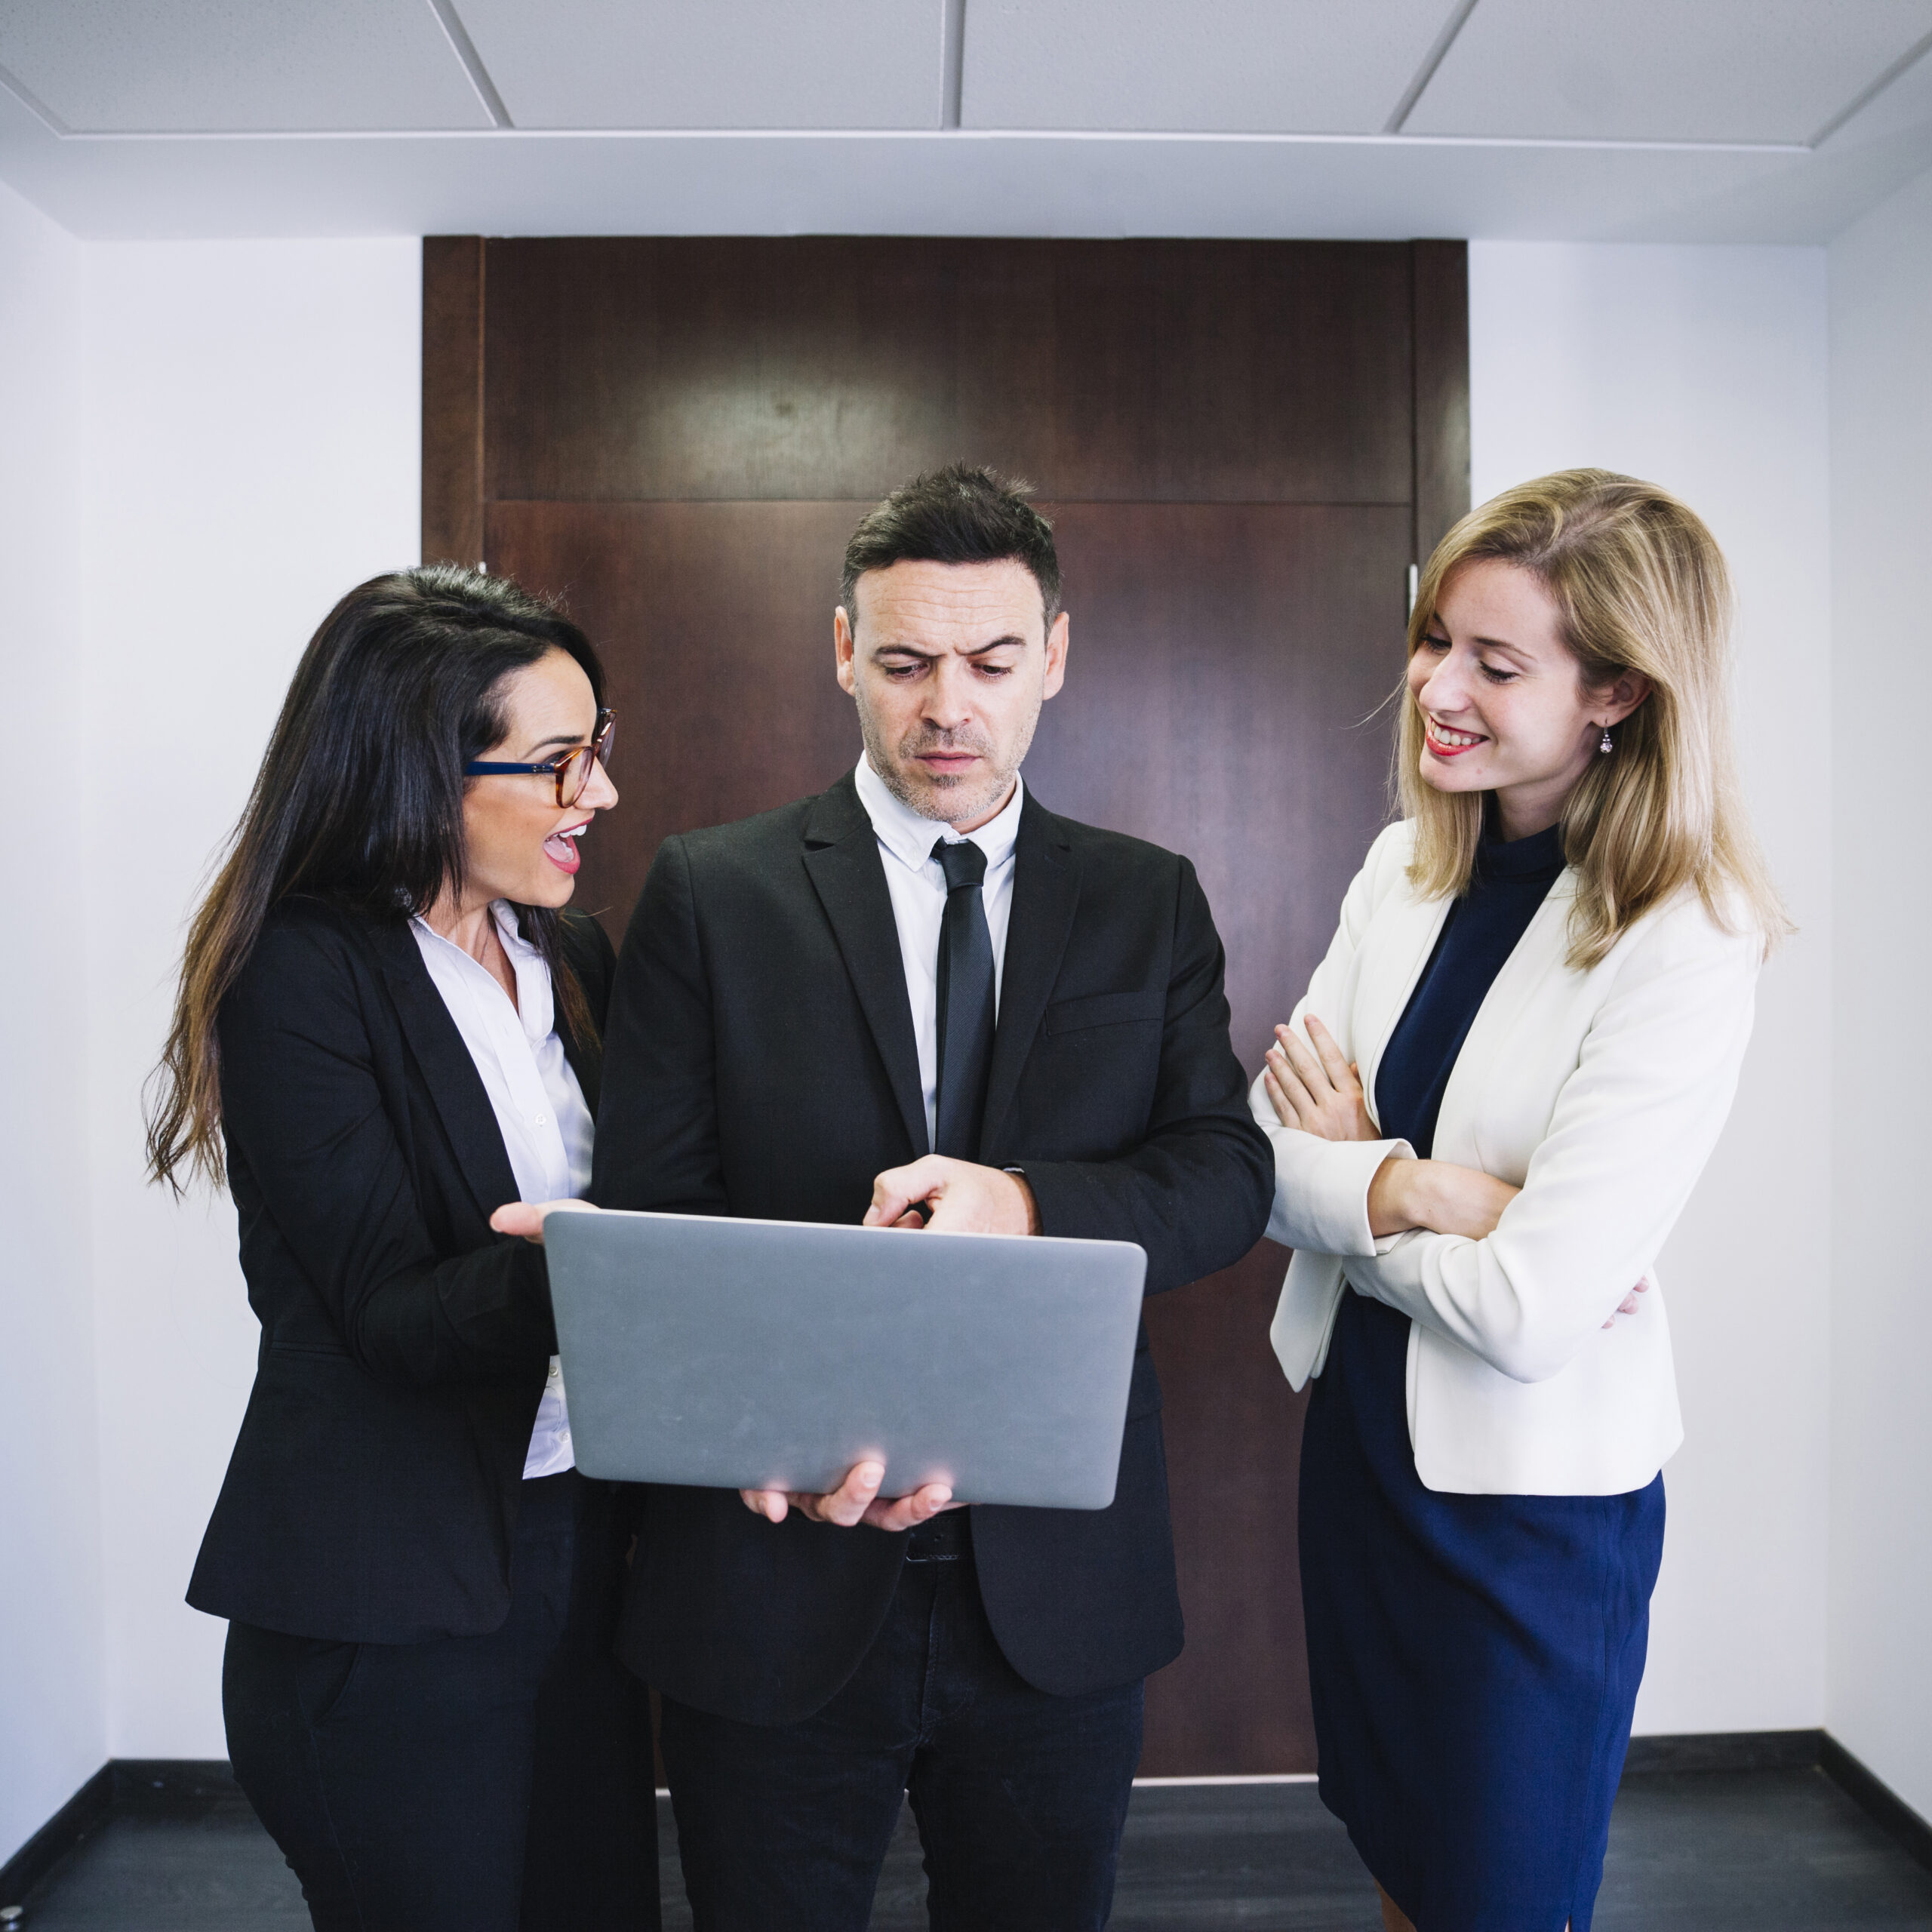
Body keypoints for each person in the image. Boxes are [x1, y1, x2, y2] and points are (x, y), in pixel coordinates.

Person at [500, 464, 1273, 1928]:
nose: (946, 708)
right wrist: (775, 1428)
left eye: (988, 663)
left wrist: (1025, 1201)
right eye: (905, 661)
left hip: (1054, 1591)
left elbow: (1222, 1178)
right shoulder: (709, 889)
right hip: (773, 1564)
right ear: (842, 649)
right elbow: (668, 1210)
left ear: (1052, 654)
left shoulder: (1144, 896)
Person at [1254, 469, 1786, 1932]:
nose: (1436, 686)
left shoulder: (1684, 937)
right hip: (1361, 1450)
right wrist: (1426, 1185)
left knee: (1498, 1891)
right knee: (1400, 1857)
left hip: (1529, 1514)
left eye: (1495, 663)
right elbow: (1261, 1147)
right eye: (1435, 640)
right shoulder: (1406, 867)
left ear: (1614, 688)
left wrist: (1351, 1179)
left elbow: (1532, 1313)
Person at [146, 567, 657, 1932]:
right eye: (556, 764)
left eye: (599, 753)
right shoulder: (303, 974)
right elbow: (391, 1313)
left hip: (576, 1562)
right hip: (383, 1599)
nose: (596, 796)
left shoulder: (580, 958)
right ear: (420, 770)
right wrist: (613, 1264)